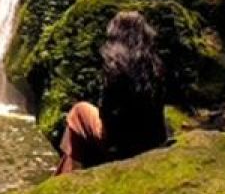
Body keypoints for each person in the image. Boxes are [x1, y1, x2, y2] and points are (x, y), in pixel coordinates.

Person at [54, 10, 168, 175]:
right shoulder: (156, 67)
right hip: (151, 141)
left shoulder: (115, 68)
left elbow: (105, 111)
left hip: (120, 144)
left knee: (78, 112)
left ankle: (64, 178)